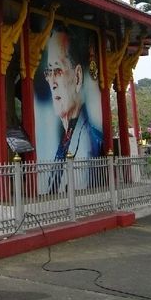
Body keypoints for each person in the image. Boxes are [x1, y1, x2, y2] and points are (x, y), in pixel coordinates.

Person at [43, 24, 103, 193]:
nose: (52, 82)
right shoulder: (64, 136)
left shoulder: (91, 142)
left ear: (77, 77)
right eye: (48, 72)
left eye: (58, 71)